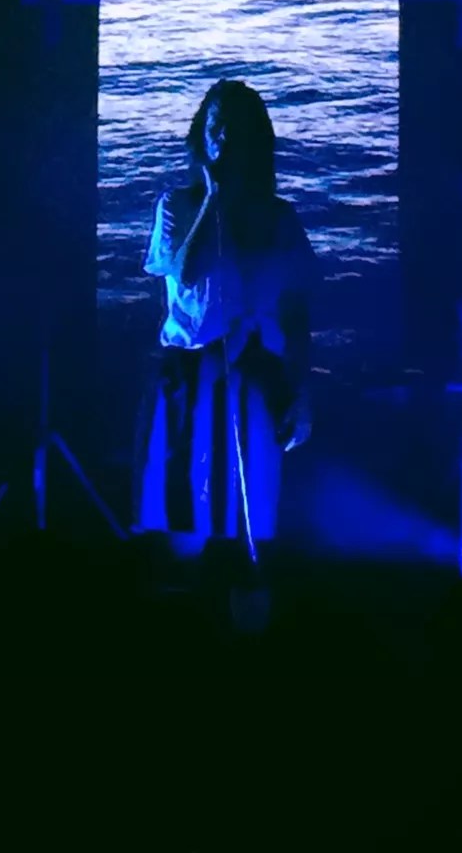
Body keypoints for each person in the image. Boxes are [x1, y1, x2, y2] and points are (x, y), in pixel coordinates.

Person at [132, 79, 317, 565]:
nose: (225, 138)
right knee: (185, 509)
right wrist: (213, 199)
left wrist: (302, 392)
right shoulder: (176, 204)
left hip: (258, 372)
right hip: (190, 371)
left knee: (252, 513)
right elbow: (184, 271)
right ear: (202, 134)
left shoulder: (280, 217)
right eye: (217, 126)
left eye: (236, 129)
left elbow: (297, 312)